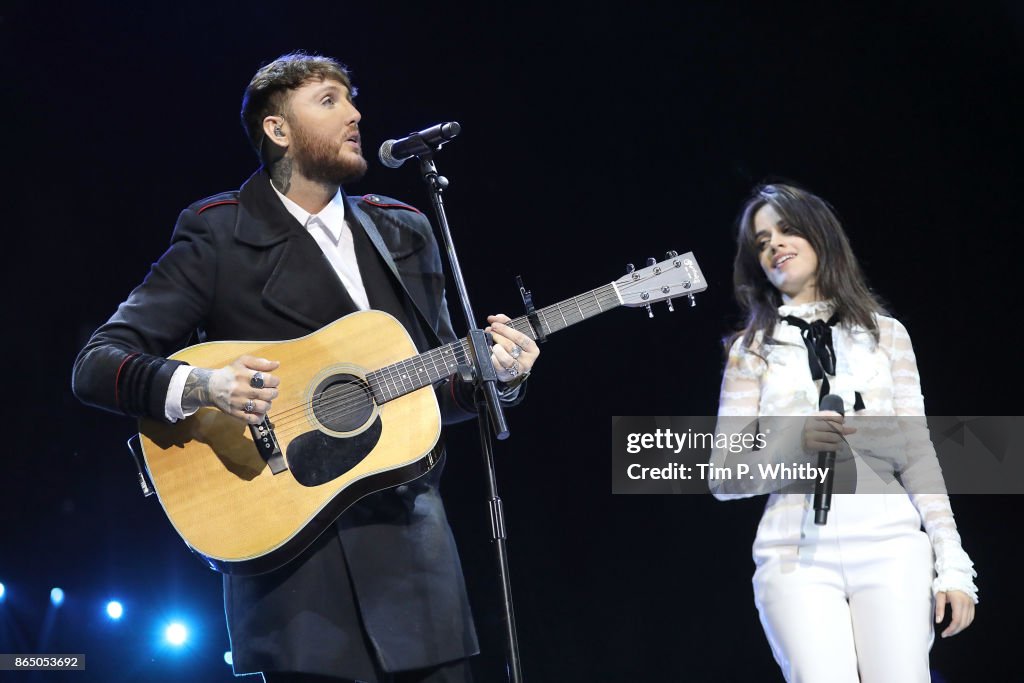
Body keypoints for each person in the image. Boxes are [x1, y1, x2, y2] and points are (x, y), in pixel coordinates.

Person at [72, 52, 539, 683]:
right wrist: (204, 385)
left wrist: (499, 377)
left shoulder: (404, 231)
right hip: (296, 583)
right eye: (329, 100)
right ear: (278, 130)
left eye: (352, 99)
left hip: (416, 568)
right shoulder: (219, 234)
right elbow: (98, 362)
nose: (355, 114)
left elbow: (433, 391)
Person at [709, 183, 977, 682]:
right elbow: (724, 476)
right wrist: (793, 442)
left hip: (890, 542)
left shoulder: (887, 335)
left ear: (820, 236)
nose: (774, 246)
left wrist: (952, 561)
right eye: (762, 240)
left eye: (786, 230)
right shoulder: (749, 351)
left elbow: (918, 452)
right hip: (794, 552)